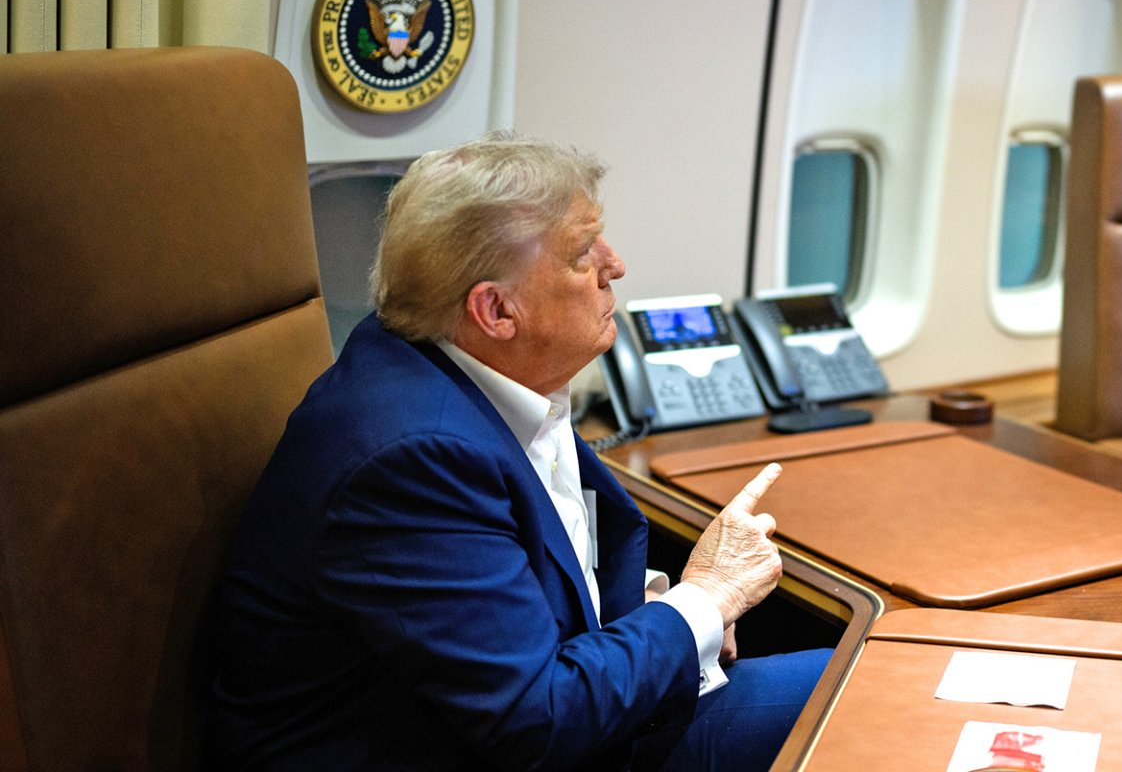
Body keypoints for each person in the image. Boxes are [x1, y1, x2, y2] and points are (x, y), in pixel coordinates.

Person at [208, 136, 828, 772]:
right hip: (498, 748)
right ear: (497, 310)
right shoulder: (413, 459)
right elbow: (537, 721)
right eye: (583, 252)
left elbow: (526, 581)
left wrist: (670, 619)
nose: (615, 265)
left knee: (894, 673)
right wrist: (707, 600)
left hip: (552, 723)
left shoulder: (473, 365)